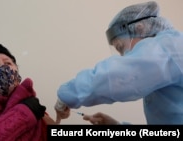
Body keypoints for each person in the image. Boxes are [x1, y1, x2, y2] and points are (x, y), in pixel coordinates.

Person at [54, 1, 183, 125]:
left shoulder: (169, 46)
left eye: (121, 47)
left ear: (140, 29)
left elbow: (117, 76)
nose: (123, 56)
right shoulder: (163, 61)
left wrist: (67, 95)